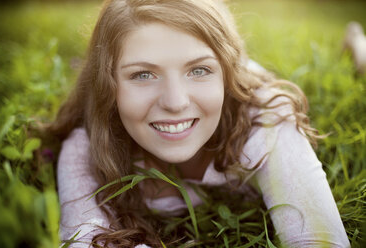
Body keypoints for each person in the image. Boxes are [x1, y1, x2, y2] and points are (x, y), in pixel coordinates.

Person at [50, 0, 351, 247]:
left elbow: (321, 239)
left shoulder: (265, 119)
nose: (176, 101)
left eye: (199, 70)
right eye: (143, 74)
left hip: (244, 79)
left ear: (225, 76)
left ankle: (355, 45)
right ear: (109, 85)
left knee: (354, 66)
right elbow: (85, 240)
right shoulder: (86, 145)